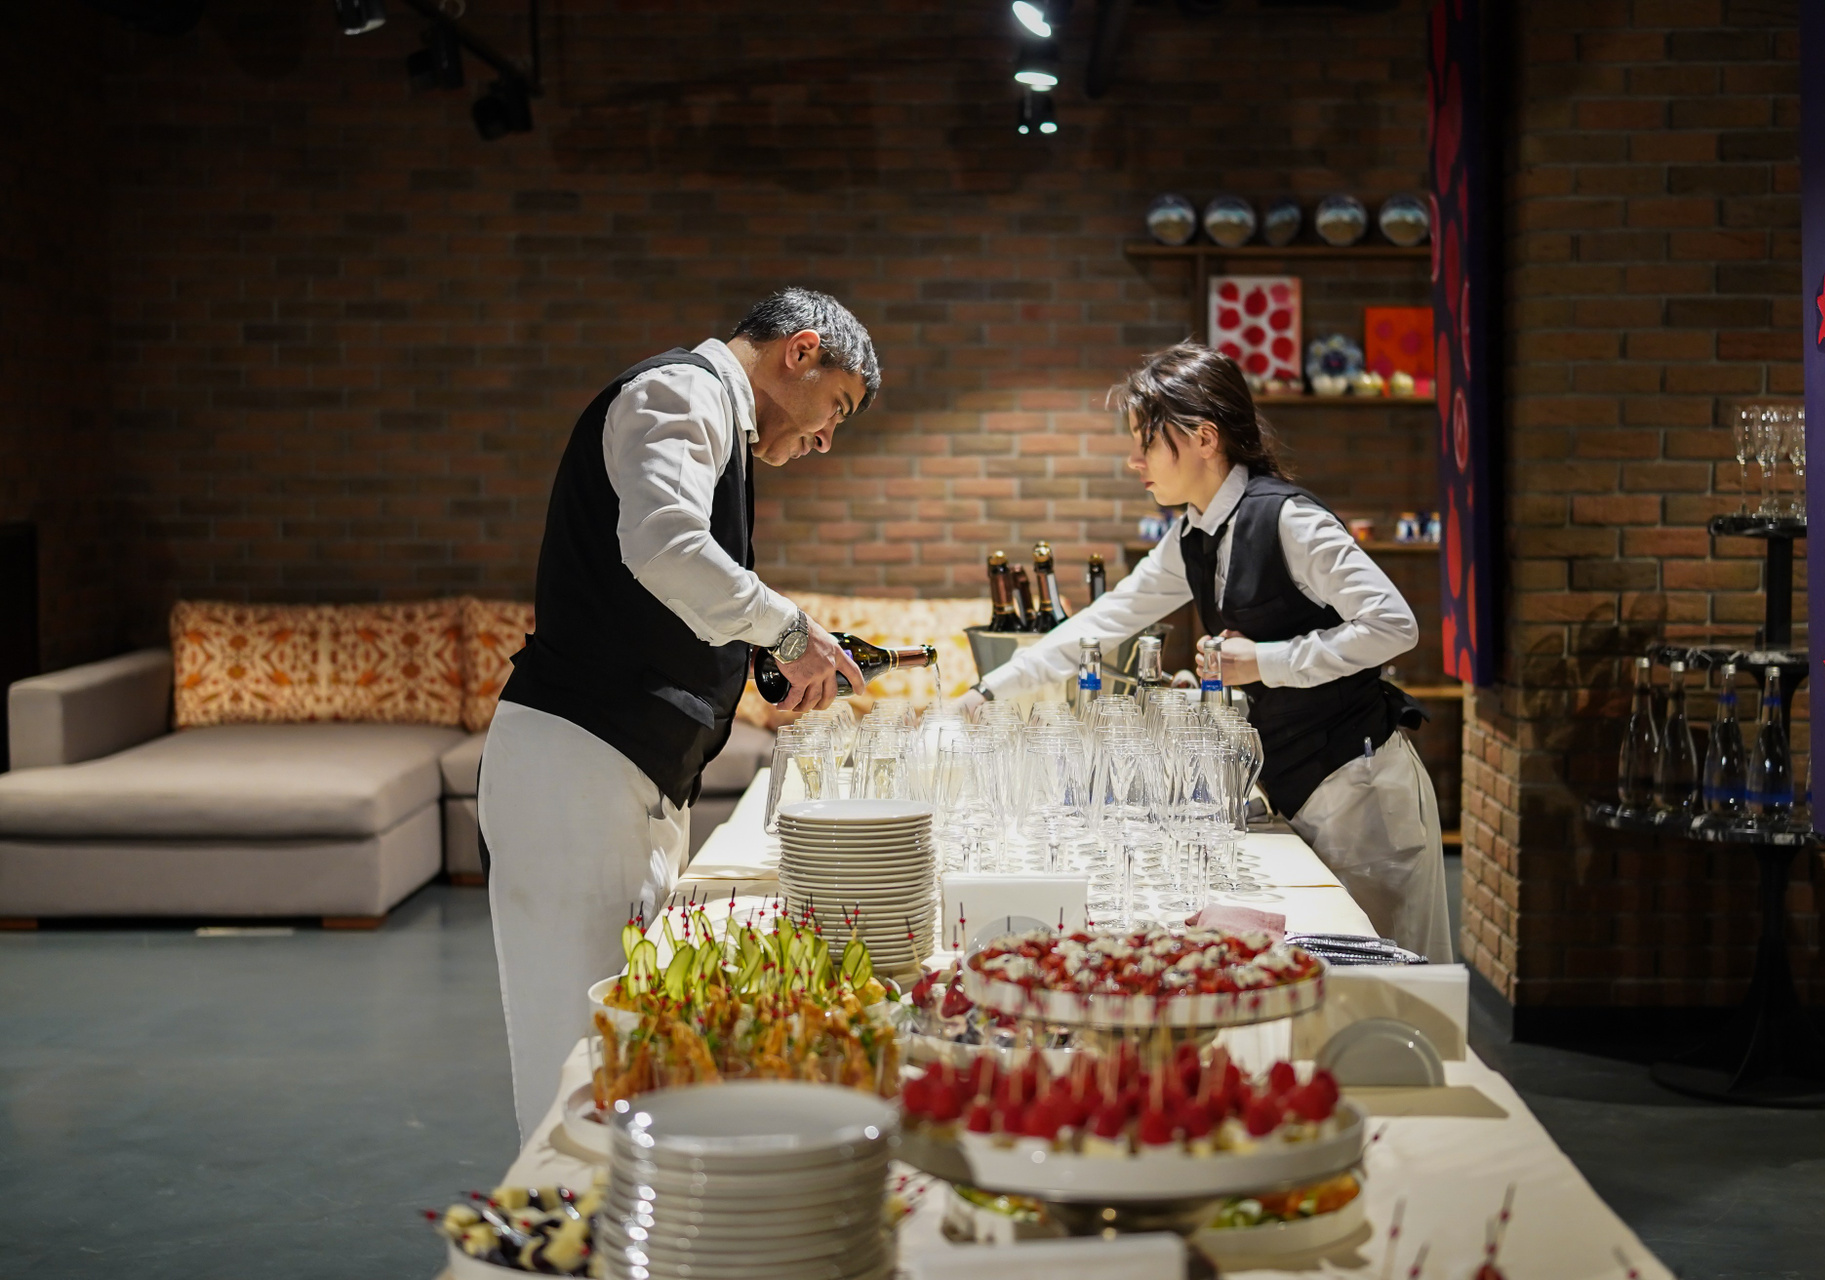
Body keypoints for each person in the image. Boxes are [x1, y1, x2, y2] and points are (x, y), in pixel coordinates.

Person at [480, 288, 880, 1138]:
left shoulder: (717, 417)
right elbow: (664, 546)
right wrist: (788, 631)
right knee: (577, 1055)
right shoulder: (680, 391)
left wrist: (762, 649)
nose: (825, 439)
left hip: (625, 771)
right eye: (837, 409)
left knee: (626, 1042)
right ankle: (560, 1223)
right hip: (576, 767)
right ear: (801, 351)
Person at [960, 343, 1450, 962]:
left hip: (1362, 788)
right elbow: (1105, 620)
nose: (1133, 459)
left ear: (1204, 438)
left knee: (1390, 977)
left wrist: (1265, 662)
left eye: (1146, 441)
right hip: (1295, 783)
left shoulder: (1288, 520)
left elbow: (1393, 624)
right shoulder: (1192, 533)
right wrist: (990, 689)